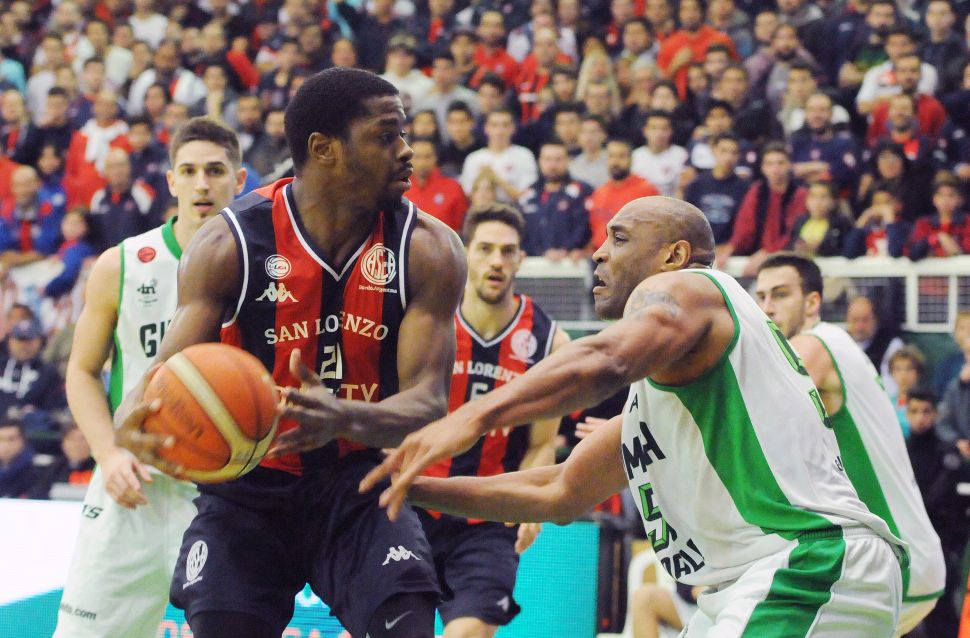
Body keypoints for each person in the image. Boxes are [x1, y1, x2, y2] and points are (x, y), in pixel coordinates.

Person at [364, 195, 906, 636]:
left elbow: (606, 359)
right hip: (758, 581)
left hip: (804, 565)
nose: (599, 254)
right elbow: (560, 490)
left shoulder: (691, 287)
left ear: (674, 255)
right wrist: (407, 488)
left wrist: (471, 417)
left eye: (619, 238)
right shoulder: (679, 384)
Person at [115, 68, 465, 638]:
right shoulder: (227, 244)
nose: (407, 151)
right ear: (324, 149)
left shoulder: (429, 249)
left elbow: (428, 403)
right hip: (246, 490)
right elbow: (163, 380)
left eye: (403, 134)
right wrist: (131, 421)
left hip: (360, 483)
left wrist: (343, 417)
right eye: (386, 136)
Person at [53, 117, 247, 638]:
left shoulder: (263, 270)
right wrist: (107, 452)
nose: (202, 184)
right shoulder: (121, 264)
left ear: (239, 180)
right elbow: (82, 371)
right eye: (190, 171)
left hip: (222, 494)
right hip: (131, 484)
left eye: (215, 171)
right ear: (171, 181)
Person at [754, 253, 946, 634]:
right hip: (904, 553)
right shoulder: (835, 342)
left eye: (780, 294)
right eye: (760, 297)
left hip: (897, 557)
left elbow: (748, 410)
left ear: (812, 302)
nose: (767, 307)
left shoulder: (816, 344)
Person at [421, 203, 569, 637]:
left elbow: (542, 443)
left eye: (508, 251)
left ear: (521, 259)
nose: (497, 261)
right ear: (466, 252)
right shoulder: (429, 321)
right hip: (416, 504)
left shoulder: (549, 343)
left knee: (470, 631)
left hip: (488, 516)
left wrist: (531, 502)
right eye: (485, 249)